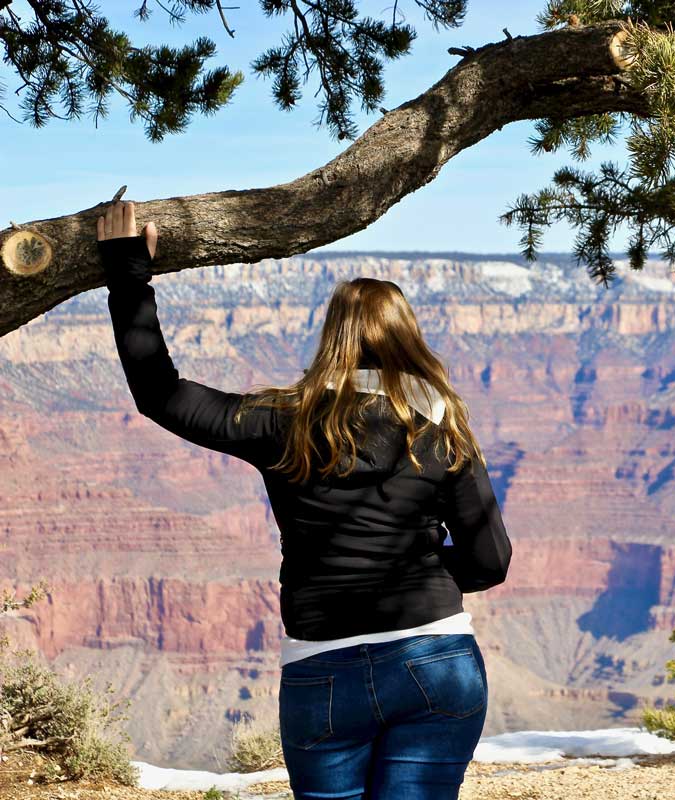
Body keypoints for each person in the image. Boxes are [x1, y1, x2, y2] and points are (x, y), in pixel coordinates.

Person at [96, 200, 513, 800]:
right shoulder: (443, 428)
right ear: (407, 338)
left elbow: (162, 394)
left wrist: (127, 273)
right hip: (435, 662)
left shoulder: (281, 421)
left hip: (322, 671)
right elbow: (490, 562)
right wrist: (421, 569)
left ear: (332, 338)